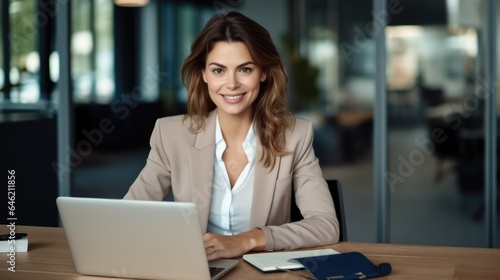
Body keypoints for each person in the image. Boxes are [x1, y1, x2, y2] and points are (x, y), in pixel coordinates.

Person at [123, 11, 339, 260]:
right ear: (203, 74)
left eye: (245, 69)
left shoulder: (295, 135)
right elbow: (129, 215)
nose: (232, 83)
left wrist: (246, 241)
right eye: (218, 71)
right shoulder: (171, 134)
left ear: (264, 72)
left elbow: (325, 225)